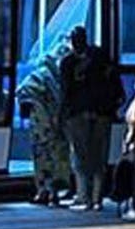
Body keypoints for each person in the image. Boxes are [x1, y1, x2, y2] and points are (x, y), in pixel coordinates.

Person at [58, 25, 119, 210]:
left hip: (78, 113)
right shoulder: (101, 56)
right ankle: (96, 197)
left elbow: (66, 90)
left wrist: (62, 113)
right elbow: (113, 82)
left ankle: (83, 195)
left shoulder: (67, 62)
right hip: (102, 113)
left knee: (81, 156)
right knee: (99, 155)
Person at [16, 55, 70, 205]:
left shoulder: (39, 76)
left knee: (42, 159)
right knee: (56, 159)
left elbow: (23, 92)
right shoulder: (57, 78)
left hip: (42, 128)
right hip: (55, 128)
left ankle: (43, 191)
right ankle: (54, 192)